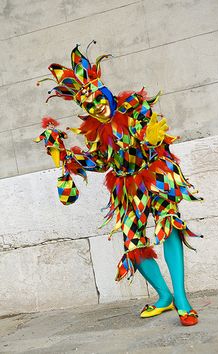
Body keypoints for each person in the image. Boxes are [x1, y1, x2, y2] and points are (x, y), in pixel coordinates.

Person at [36, 44, 203, 326]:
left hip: (156, 176)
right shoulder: (95, 130)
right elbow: (101, 162)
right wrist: (68, 158)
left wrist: (150, 137)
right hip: (127, 187)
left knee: (169, 225)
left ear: (106, 91)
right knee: (132, 243)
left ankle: (182, 299)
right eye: (88, 105)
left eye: (98, 99)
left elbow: (150, 133)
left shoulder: (135, 106)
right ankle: (164, 297)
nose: (96, 107)